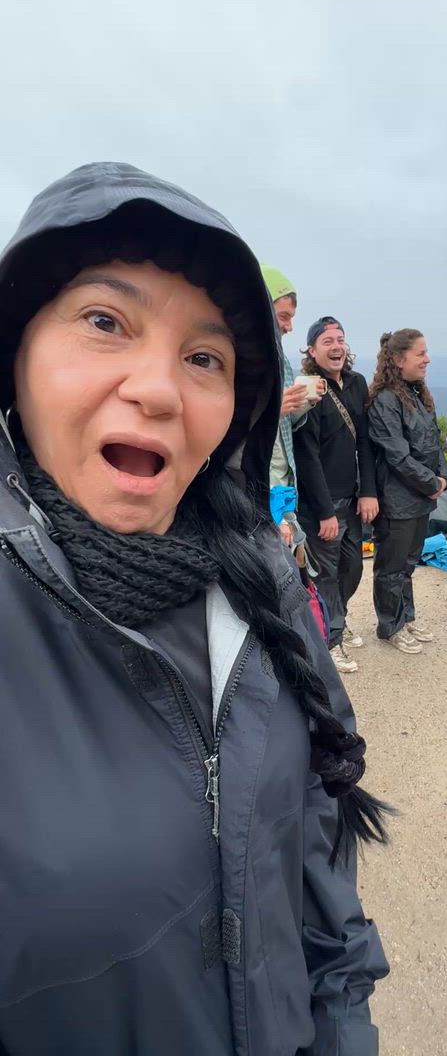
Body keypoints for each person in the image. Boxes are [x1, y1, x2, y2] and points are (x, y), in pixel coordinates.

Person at [0, 162, 389, 1054]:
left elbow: (321, 871)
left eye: (204, 356)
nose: (161, 390)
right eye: (105, 322)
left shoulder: (261, 586)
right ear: (14, 352)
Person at [293, 317, 378, 673]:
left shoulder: (357, 384)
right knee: (325, 573)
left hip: (353, 498)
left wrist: (369, 492)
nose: (336, 346)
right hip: (321, 505)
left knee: (353, 567)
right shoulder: (309, 390)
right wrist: (325, 511)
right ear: (312, 351)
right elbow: (306, 455)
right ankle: (331, 639)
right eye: (327, 341)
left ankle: (334, 619)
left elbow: (364, 441)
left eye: (340, 339)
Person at [367, 329, 447, 654]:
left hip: (420, 500)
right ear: (399, 360)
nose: (427, 359)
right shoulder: (386, 400)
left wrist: (442, 476)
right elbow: (397, 455)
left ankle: (407, 615)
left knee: (408, 564)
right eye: (421, 353)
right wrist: (432, 484)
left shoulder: (418, 395)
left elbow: (433, 443)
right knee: (391, 566)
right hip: (397, 501)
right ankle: (390, 625)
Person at [261, 264, 323, 545]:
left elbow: (285, 422)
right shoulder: (232, 355)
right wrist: (273, 408)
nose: (289, 326)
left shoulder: (280, 358)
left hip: (283, 483)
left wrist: (302, 403)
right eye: (284, 316)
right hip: (256, 485)